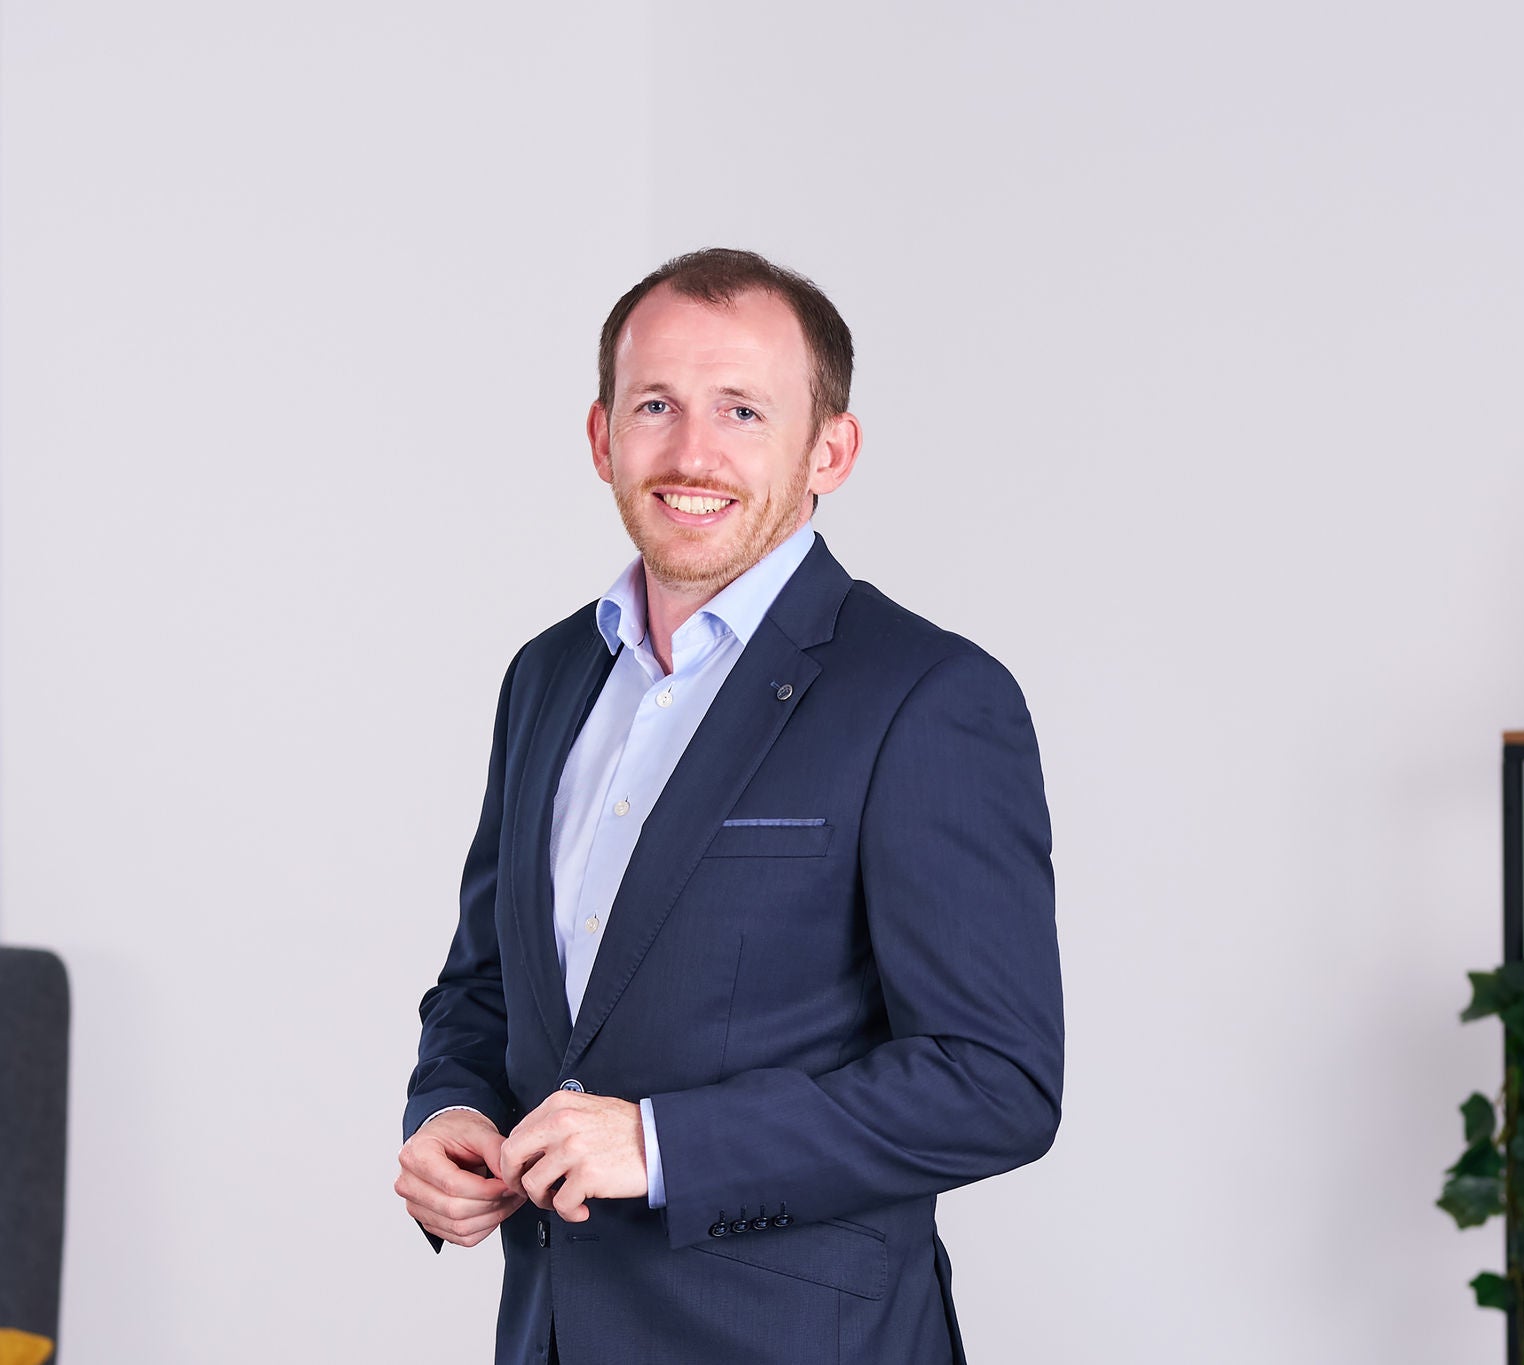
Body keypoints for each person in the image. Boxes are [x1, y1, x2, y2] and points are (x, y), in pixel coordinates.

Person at [395, 248, 1062, 1365]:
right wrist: (450, 1114)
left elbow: (995, 1082)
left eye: (742, 411)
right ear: (602, 435)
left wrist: (664, 1146)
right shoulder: (546, 677)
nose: (691, 453)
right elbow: (487, 986)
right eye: (655, 405)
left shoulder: (927, 696)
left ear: (829, 450)